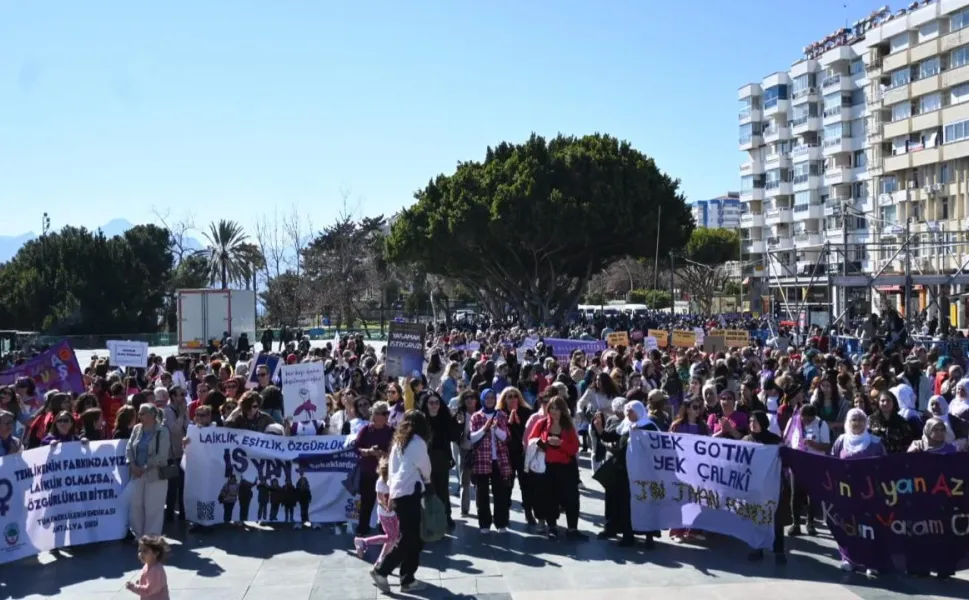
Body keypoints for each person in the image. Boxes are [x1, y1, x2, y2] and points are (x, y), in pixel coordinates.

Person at [371, 409, 432, 594]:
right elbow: (425, 466)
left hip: (399, 493)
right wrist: (428, 481)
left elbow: (391, 470)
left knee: (415, 539)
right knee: (409, 538)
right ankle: (382, 571)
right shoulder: (418, 442)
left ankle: (407, 579)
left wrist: (390, 493)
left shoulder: (398, 443)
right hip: (410, 493)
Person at [528, 396, 584, 540]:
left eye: (557, 408)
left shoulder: (568, 426)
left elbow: (575, 447)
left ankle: (572, 529)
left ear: (562, 410)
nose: (553, 411)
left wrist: (560, 443)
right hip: (547, 467)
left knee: (572, 498)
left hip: (566, 467)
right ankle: (552, 526)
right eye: (551, 408)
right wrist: (543, 443)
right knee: (549, 497)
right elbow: (531, 441)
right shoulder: (541, 423)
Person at [742, 410, 789, 565]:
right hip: (754, 487)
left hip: (772, 486)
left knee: (775, 520)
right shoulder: (746, 440)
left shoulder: (774, 440)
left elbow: (784, 459)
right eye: (750, 421)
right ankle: (757, 549)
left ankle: (779, 551)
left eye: (755, 421)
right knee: (756, 518)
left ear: (763, 423)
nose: (752, 424)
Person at [127, 405, 171, 538]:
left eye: (142, 413)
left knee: (153, 507)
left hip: (155, 474)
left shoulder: (162, 431)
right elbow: (129, 447)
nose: (139, 416)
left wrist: (145, 467)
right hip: (136, 473)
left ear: (152, 415)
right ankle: (138, 535)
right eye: (139, 413)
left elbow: (162, 456)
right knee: (135, 505)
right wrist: (132, 464)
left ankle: (151, 538)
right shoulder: (137, 429)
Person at [354, 400, 394, 535]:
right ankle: (362, 529)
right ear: (375, 414)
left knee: (386, 503)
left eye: (387, 413)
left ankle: (386, 530)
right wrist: (368, 452)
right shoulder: (365, 430)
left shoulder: (391, 431)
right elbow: (356, 447)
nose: (386, 416)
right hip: (368, 471)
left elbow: (396, 451)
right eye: (383, 413)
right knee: (366, 503)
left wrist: (383, 454)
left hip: (385, 474)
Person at [353, 457, 400, 567]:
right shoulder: (380, 482)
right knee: (391, 537)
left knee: (393, 537)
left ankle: (380, 558)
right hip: (384, 514)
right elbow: (379, 499)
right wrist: (385, 506)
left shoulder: (394, 480)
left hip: (393, 513)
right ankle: (366, 543)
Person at [421, 391, 457, 529]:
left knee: (442, 491)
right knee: (429, 491)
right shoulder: (421, 419)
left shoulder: (445, 418)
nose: (434, 405)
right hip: (425, 459)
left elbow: (453, 436)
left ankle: (446, 516)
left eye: (437, 402)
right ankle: (430, 519)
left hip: (441, 458)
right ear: (426, 404)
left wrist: (458, 423)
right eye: (431, 402)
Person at [126, 535, 170, 599]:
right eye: (140, 551)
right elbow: (149, 580)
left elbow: (148, 590)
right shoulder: (147, 565)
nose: (141, 554)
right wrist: (140, 582)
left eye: (145, 551)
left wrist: (134, 587)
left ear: (156, 553)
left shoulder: (155, 570)